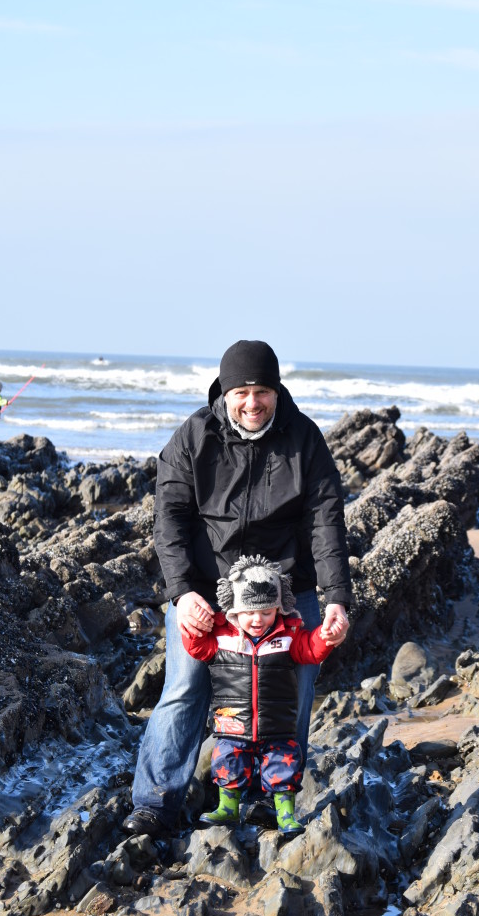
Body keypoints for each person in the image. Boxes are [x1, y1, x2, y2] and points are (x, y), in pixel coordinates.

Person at [123, 339, 352, 838]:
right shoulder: (193, 437)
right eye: (242, 391)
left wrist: (336, 598)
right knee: (184, 690)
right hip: (208, 592)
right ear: (224, 393)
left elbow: (327, 522)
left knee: (288, 696)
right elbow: (169, 520)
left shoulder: (305, 439)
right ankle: (156, 803)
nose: (252, 402)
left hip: (288, 594)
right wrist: (183, 592)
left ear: (277, 391)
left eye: (262, 390)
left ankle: (274, 800)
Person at [184, 554, 341, 836]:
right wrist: (194, 629)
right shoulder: (221, 637)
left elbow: (309, 649)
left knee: (283, 766)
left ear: (279, 608)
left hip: (277, 723)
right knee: (227, 761)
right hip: (232, 722)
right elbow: (197, 648)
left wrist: (325, 637)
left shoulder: (288, 635)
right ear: (233, 610)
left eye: (267, 612)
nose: (258, 619)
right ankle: (227, 809)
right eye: (249, 613)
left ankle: (286, 814)